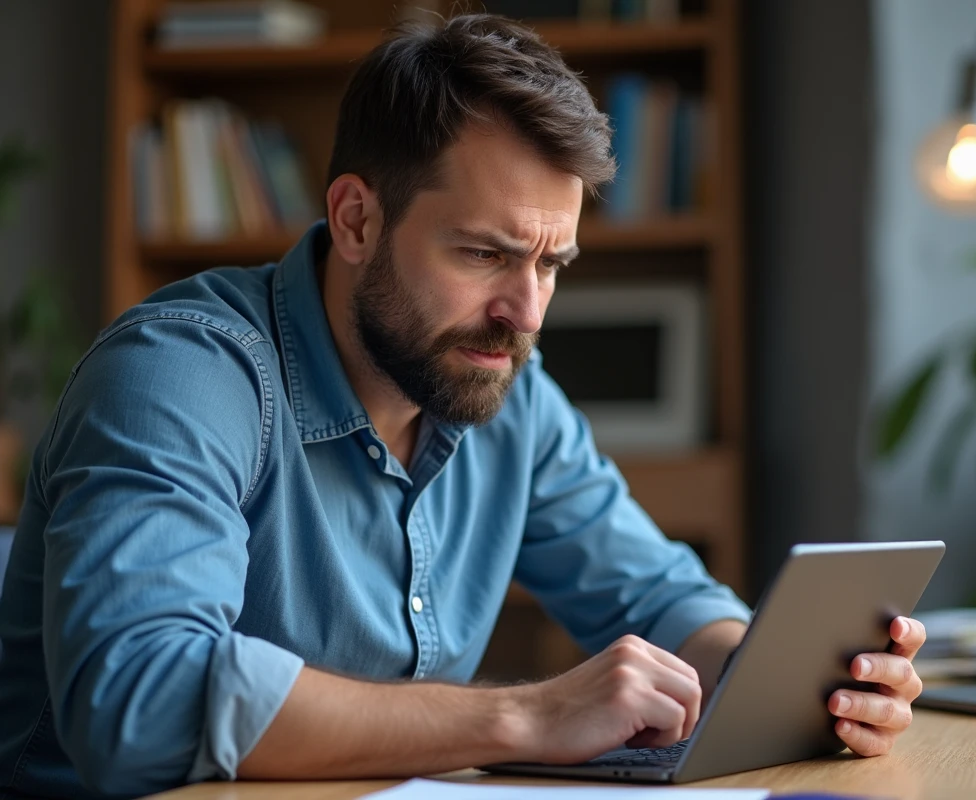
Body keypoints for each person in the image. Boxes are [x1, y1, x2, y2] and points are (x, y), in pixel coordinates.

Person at [0, 13, 927, 799]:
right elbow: (138, 700)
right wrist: (526, 714)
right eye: (484, 253)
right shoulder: (182, 376)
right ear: (358, 219)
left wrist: (798, 686)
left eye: (551, 265)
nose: (525, 312)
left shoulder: (501, 388)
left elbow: (660, 597)